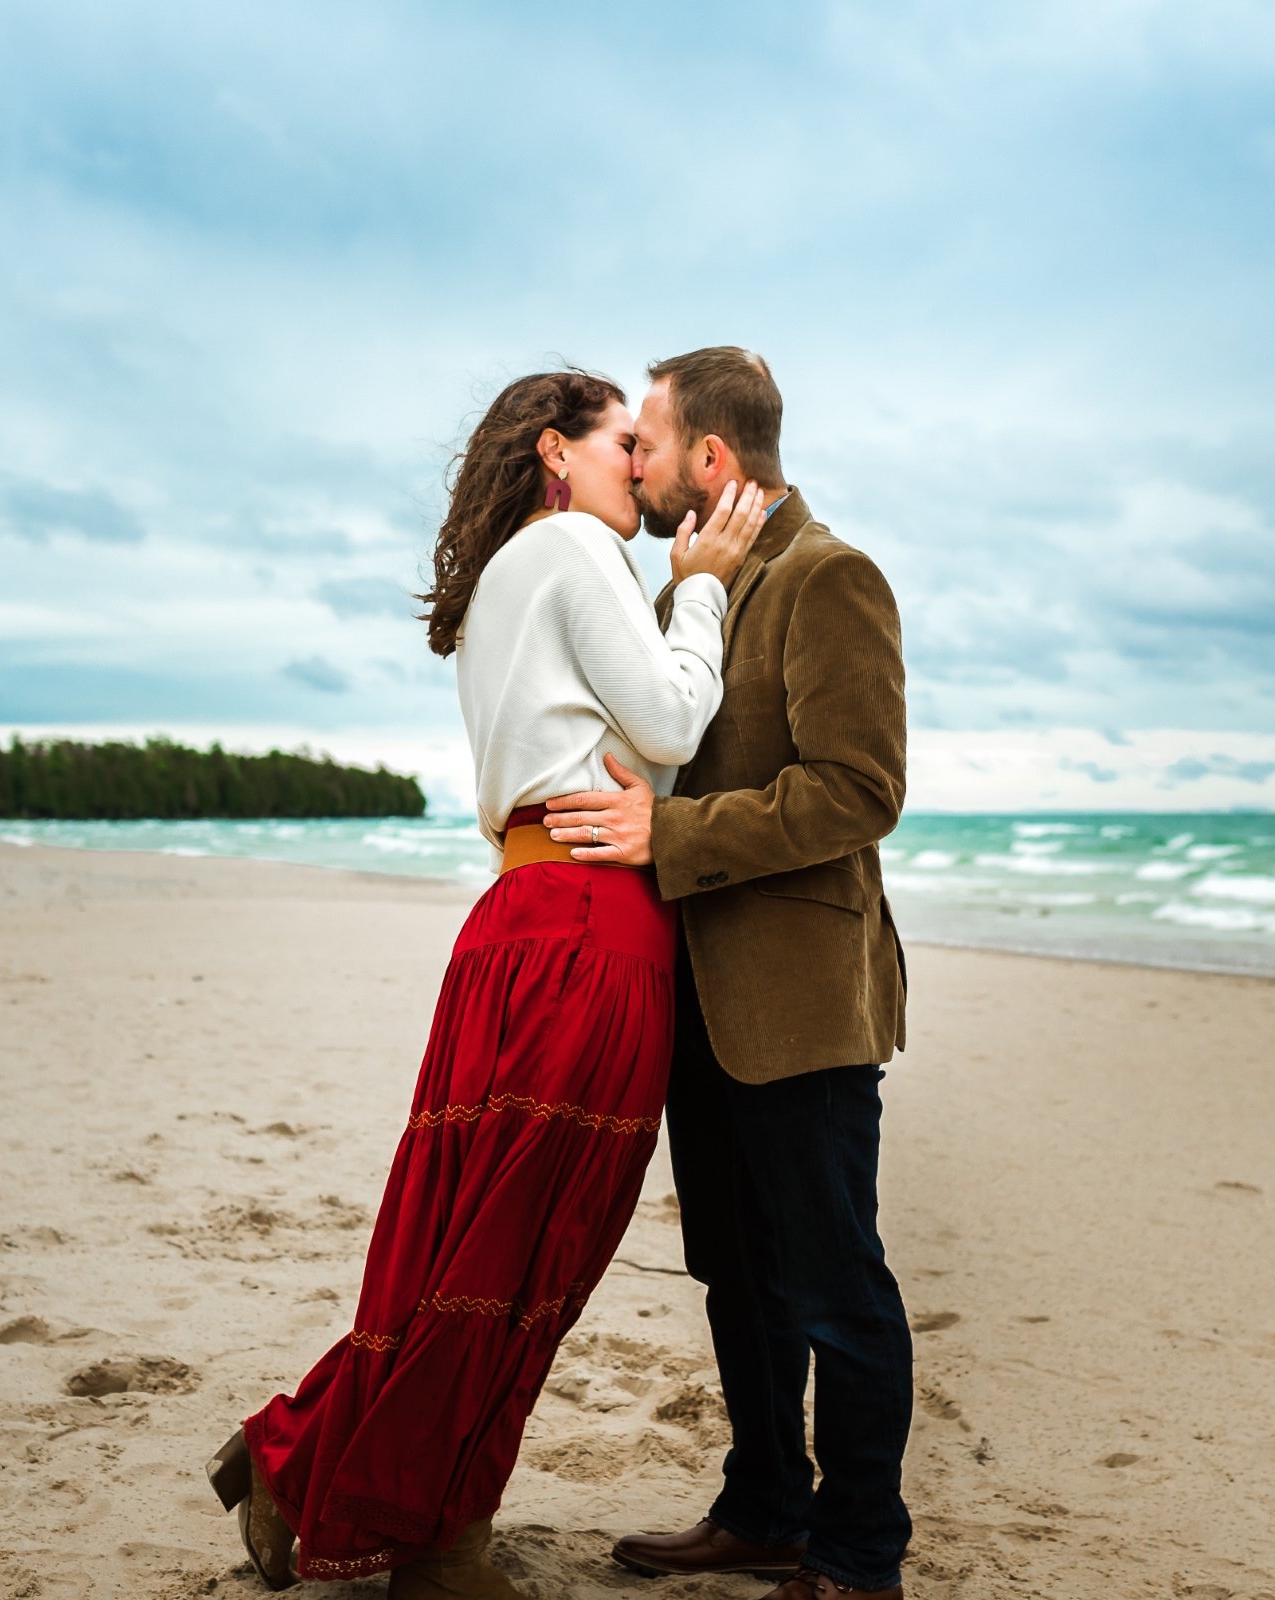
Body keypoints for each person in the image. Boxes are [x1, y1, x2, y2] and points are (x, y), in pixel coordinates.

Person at [205, 368, 772, 1599]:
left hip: (525, 913)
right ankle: (425, 1531)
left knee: (473, 1243)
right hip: (585, 926)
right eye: (626, 441)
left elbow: (624, 766)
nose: (644, 464)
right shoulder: (574, 548)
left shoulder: (515, 577)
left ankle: (315, 1466)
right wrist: (705, 592)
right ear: (555, 455)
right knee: (521, 1255)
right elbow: (673, 728)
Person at [540, 347, 914, 1600]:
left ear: (711, 457)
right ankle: (764, 1509)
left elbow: (860, 790)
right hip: (694, 999)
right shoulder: (680, 593)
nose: (632, 462)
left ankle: (861, 1557)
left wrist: (673, 833)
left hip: (803, 1006)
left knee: (832, 1281)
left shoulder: (830, 577)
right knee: (737, 1276)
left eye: (646, 441)